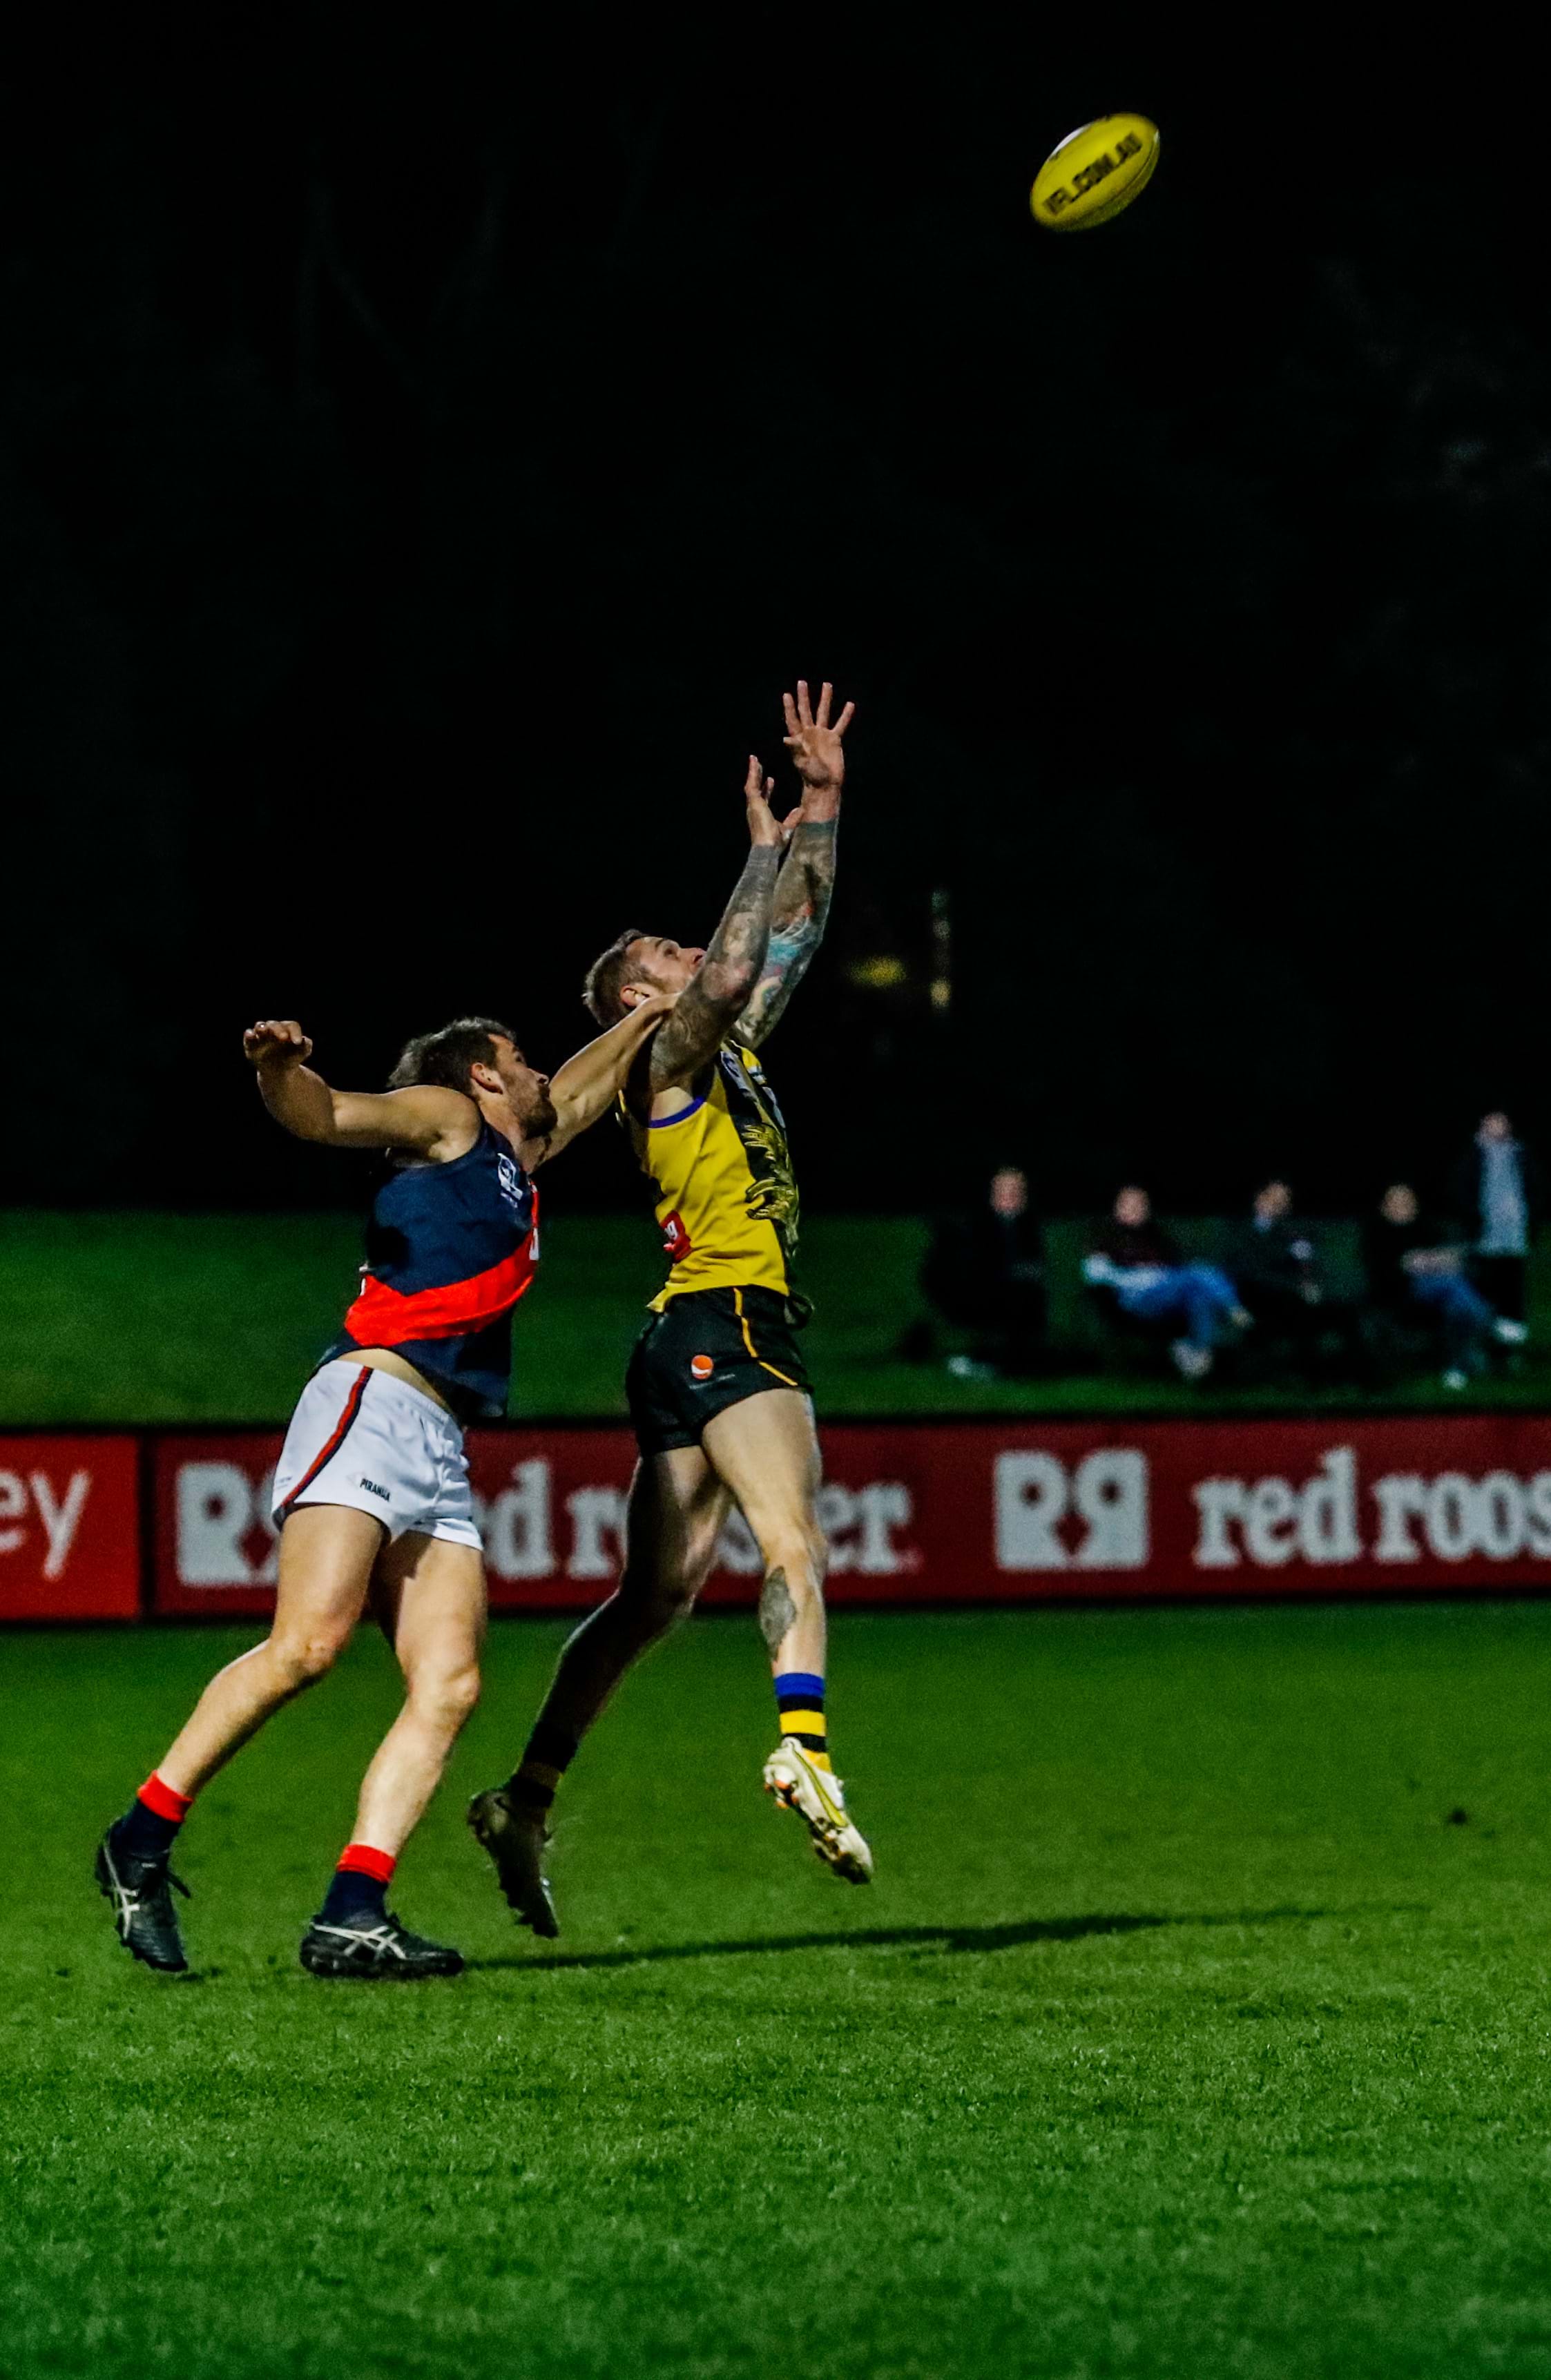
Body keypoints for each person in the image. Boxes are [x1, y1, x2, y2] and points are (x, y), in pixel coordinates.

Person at [95, 998, 667, 1980]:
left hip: (439, 1436)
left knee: (449, 1684)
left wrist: (652, 1016)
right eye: (519, 1057)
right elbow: (327, 1115)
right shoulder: (449, 1115)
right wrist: (277, 1071)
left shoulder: (512, 1162)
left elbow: (577, 1092)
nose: (538, 1071)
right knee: (306, 1646)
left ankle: (352, 1912)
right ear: (480, 1074)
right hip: (372, 1398)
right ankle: (136, 1840)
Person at [469, 682, 871, 1935]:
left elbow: (788, 940)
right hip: (728, 1321)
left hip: (676, 1338)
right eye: (661, 955)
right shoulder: (667, 1053)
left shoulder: (722, 1047)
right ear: (635, 1004)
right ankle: (804, 1745)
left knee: (654, 1598)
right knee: (794, 1544)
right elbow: (741, 956)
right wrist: (756, 849)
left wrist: (823, 803)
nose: (687, 954)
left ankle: (525, 1797)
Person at [1082, 1184, 1249, 1382]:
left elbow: (1173, 1268)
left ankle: (1200, 1356)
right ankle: (1232, 1307)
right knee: (1198, 1272)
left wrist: (1159, 1276)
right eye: (1130, 1203)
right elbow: (1094, 1273)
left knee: (1199, 1294)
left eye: (1141, 1204)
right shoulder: (1104, 1235)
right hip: (1135, 1299)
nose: (1136, 1208)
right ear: (1118, 1207)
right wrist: (1141, 1277)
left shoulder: (1156, 1236)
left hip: (1166, 1293)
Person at [1362, 1182, 1514, 1390]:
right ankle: (1490, 1324)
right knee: (1451, 1283)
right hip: (1400, 1293)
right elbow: (1392, 1268)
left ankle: (1456, 1370)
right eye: (1396, 1202)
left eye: (1407, 1201)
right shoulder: (1377, 1233)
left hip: (1440, 1291)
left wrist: (1425, 1262)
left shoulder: (1426, 1228)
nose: (1403, 1206)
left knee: (1457, 1305)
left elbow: (1451, 1258)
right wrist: (1423, 1263)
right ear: (1384, 1207)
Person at [920, 1165, 1046, 1377]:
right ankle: (990, 1360)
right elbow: (971, 1268)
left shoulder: (1029, 1226)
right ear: (993, 1194)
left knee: (1026, 1299)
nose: (1011, 1196)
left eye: (1016, 1190)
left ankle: (1015, 1361)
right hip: (980, 1293)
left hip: (1021, 1294)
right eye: (1004, 1190)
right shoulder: (978, 1226)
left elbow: (1035, 1263)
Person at [1449, 1112, 1539, 1336]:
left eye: (1501, 1123)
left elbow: (1533, 1185)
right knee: (1487, 1276)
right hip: (1485, 1228)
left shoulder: (1520, 1153)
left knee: (1513, 1274)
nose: (1497, 1127)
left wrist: (1531, 1212)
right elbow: (1462, 1187)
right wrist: (1473, 1214)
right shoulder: (1473, 1154)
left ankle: (1514, 1324)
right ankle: (1486, 1322)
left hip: (1515, 1228)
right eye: (1492, 1122)